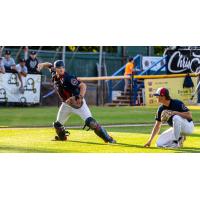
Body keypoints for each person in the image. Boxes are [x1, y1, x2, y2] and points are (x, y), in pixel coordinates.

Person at [37, 60, 116, 143]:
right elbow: (49, 65)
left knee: (91, 123)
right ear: (55, 69)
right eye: (59, 68)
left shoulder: (68, 78)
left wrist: (80, 97)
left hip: (77, 104)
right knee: (57, 125)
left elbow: (83, 85)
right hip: (66, 105)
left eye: (63, 67)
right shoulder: (54, 75)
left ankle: (108, 138)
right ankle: (62, 138)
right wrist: (42, 64)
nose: (61, 69)